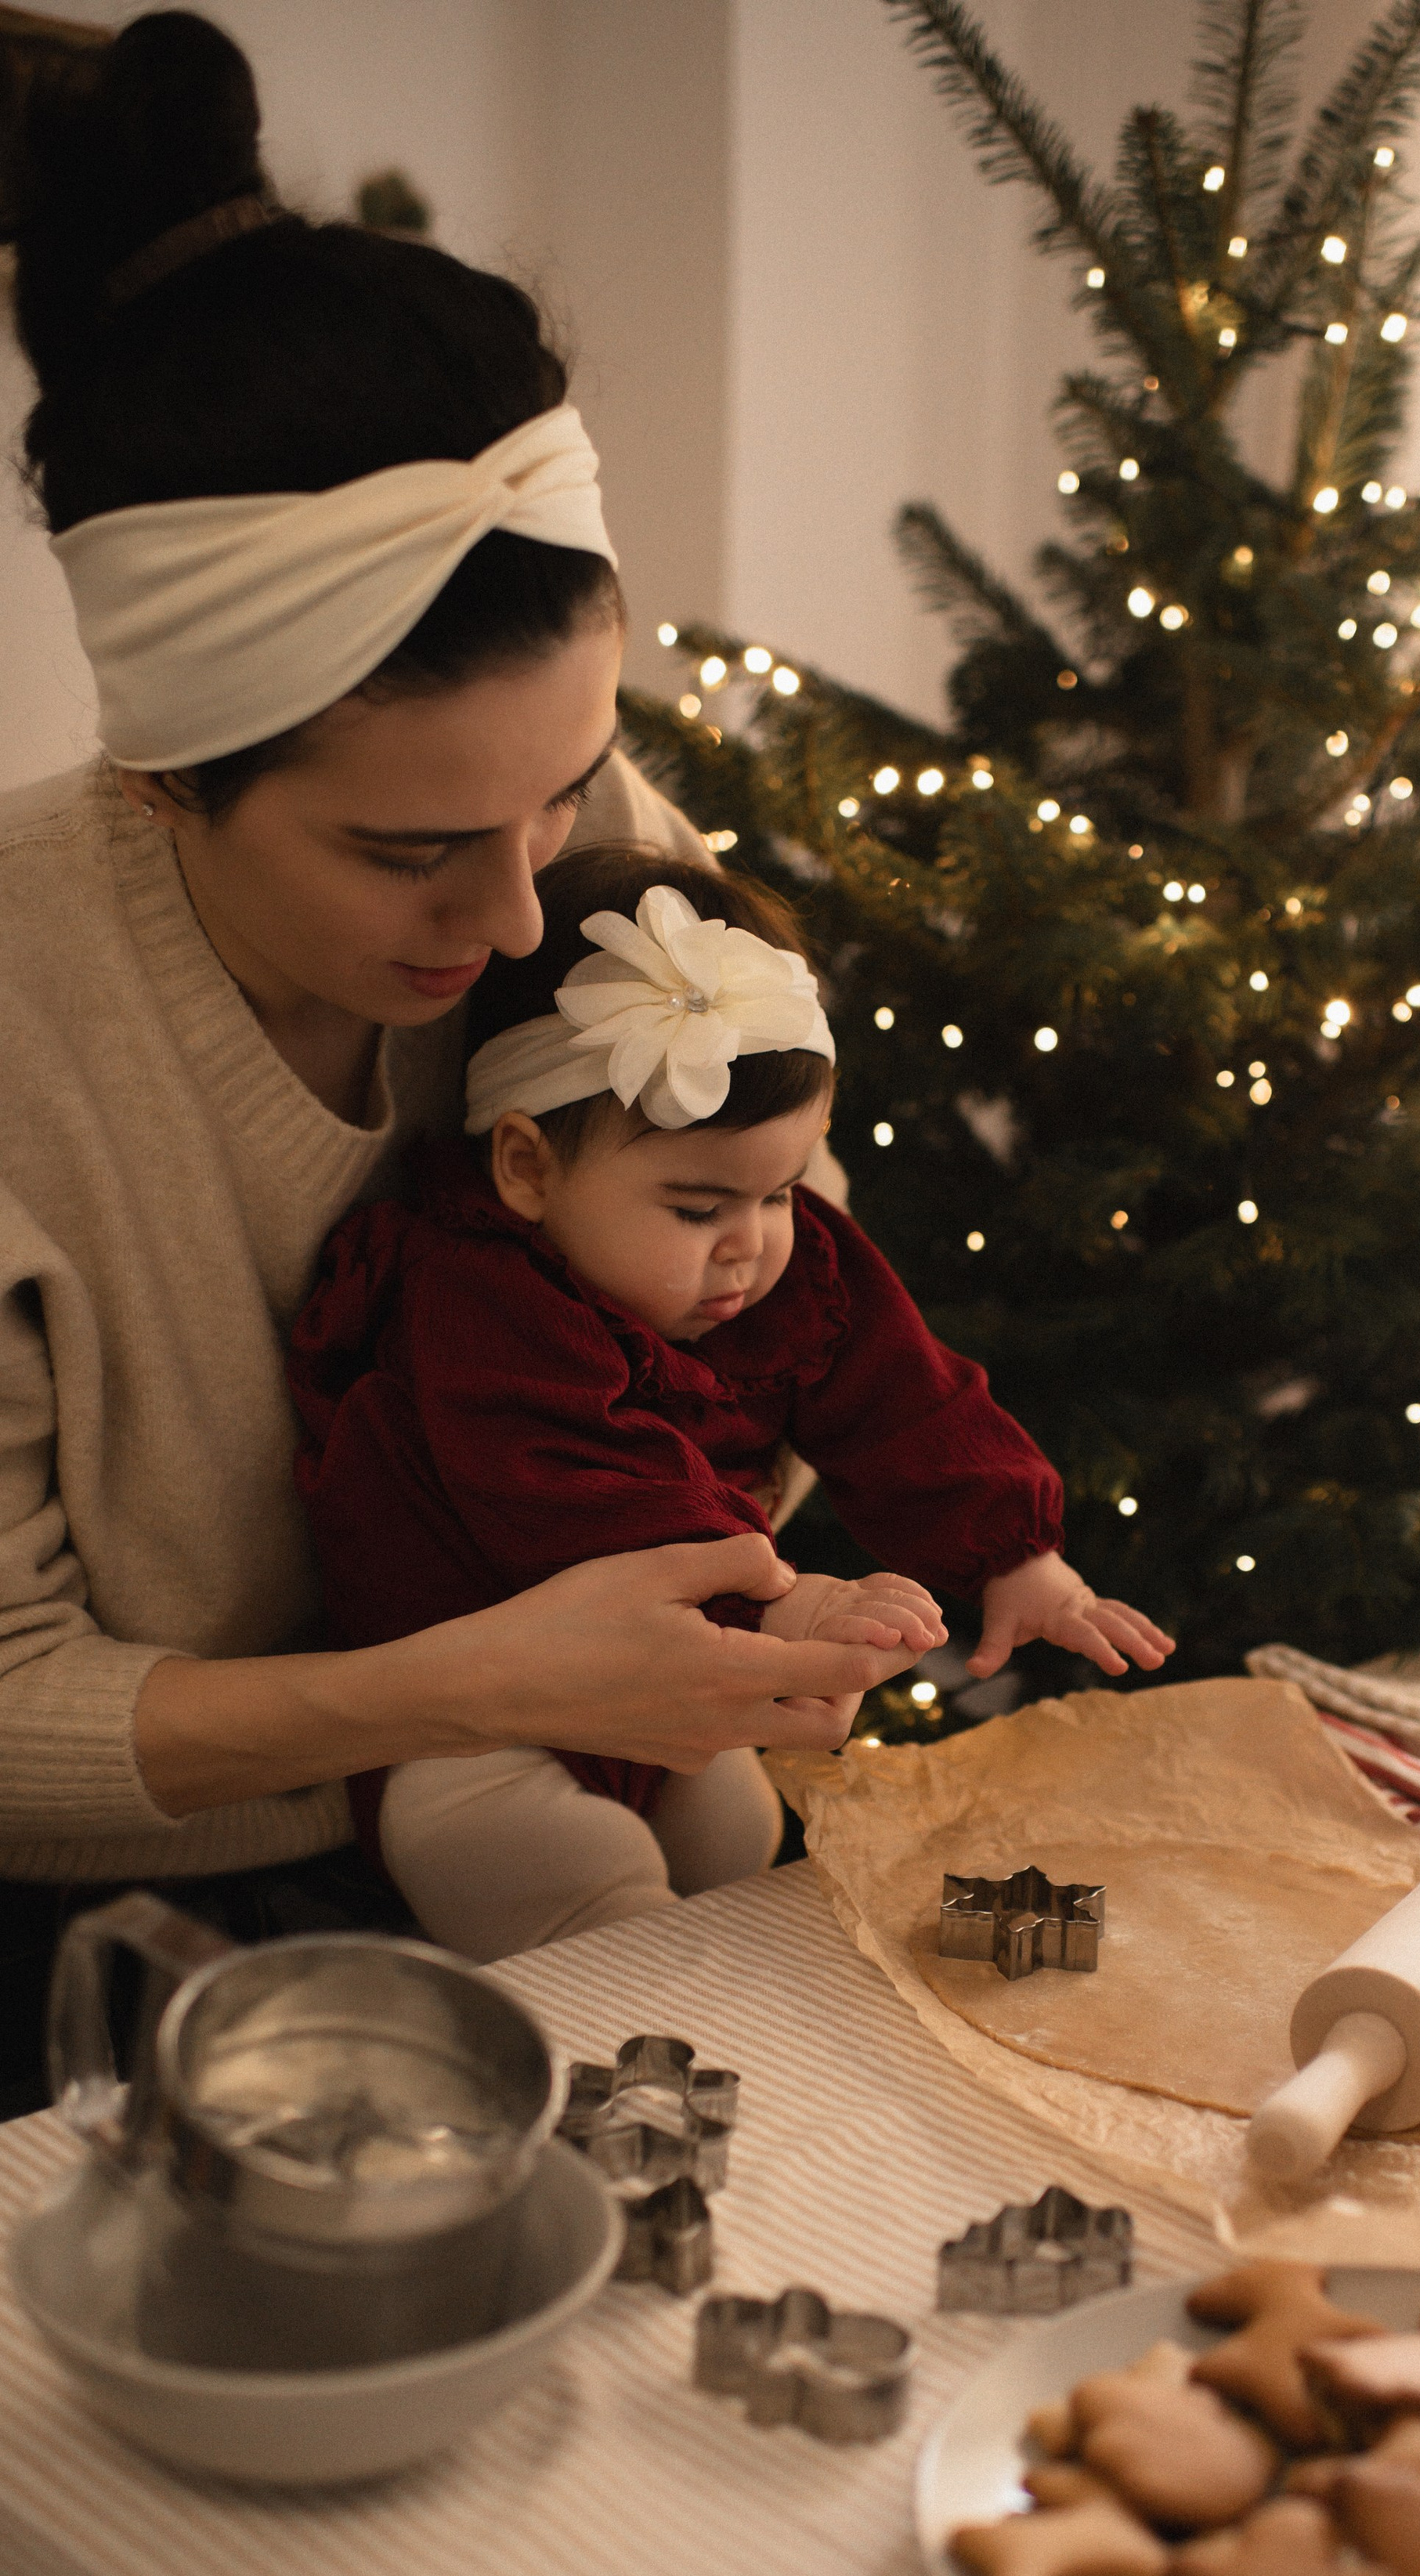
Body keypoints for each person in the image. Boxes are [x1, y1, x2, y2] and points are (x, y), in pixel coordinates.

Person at [0, 12, 896, 2103]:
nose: (518, 920)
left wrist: (714, 1602)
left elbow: (792, 1234)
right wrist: (459, 1681)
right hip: (127, 1950)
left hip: (599, 1790)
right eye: (404, 849)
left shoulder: (591, 841)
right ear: (162, 790)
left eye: (561, 795)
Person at [287, 847, 1175, 1960]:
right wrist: (778, 1602)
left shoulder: (776, 1265)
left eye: (782, 1192)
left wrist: (1014, 1552)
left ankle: (750, 2042)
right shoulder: (471, 1293)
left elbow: (904, 1392)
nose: (751, 1244)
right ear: (526, 1168)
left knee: (742, 1852)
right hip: (479, 1731)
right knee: (586, 1900)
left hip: (674, 1704)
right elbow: (581, 1490)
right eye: (699, 1204)